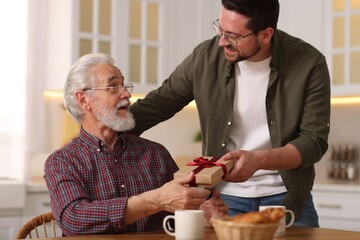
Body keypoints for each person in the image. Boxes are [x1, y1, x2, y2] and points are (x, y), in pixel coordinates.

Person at [129, 0, 331, 227]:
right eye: (220, 30)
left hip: (287, 200)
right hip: (223, 201)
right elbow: (156, 104)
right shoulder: (204, 58)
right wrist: (103, 127)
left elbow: (314, 141)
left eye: (233, 36)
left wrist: (259, 160)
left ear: (266, 35)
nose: (222, 42)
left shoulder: (309, 63)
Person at [43, 53, 227, 236]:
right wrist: (154, 200)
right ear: (84, 100)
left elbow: (178, 209)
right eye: (113, 87)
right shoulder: (62, 161)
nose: (126, 94)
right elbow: (74, 219)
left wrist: (202, 210)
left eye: (124, 85)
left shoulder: (156, 153)